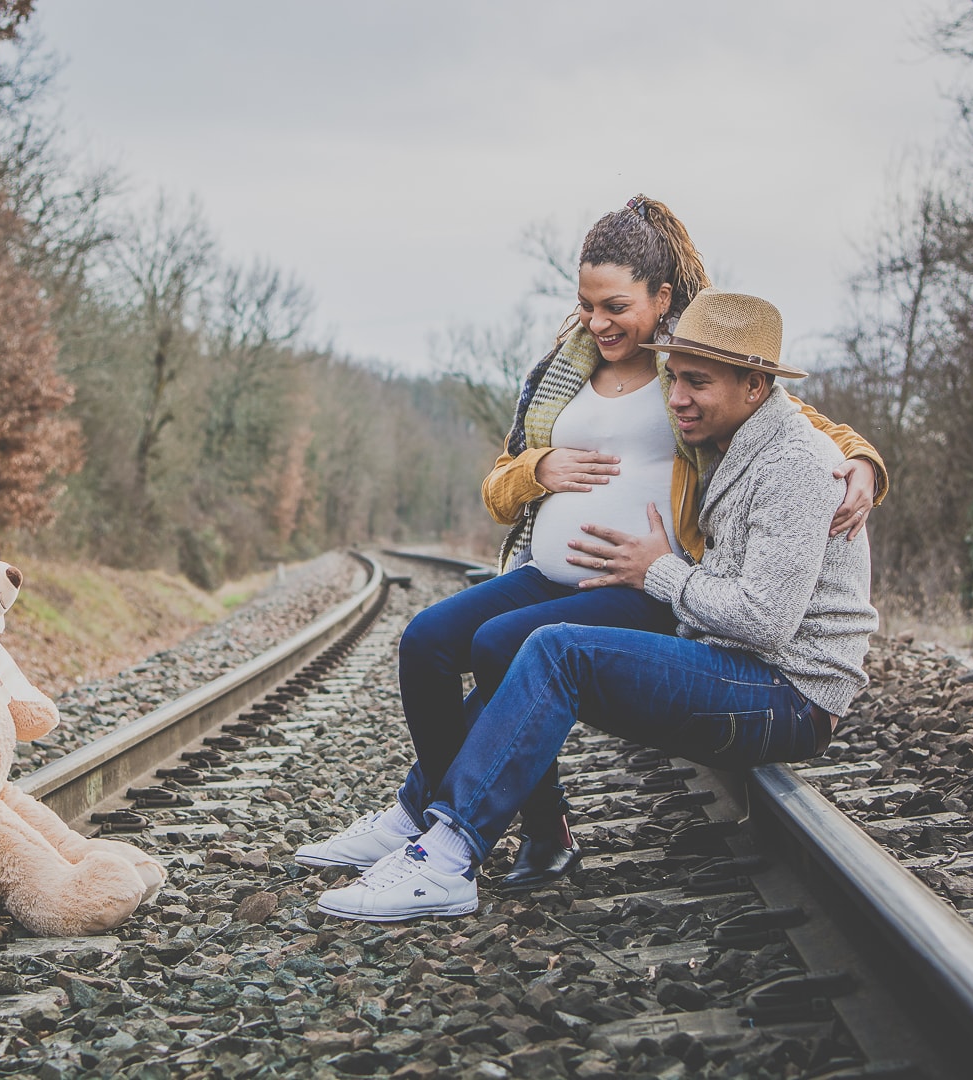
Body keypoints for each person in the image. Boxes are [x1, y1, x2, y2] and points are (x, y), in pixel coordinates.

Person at [296, 198, 886, 889]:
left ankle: (457, 825)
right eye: (586, 305)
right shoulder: (559, 376)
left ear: (660, 297)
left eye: (614, 305)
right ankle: (436, 816)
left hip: (642, 583)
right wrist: (537, 470)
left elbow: (796, 427)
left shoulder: (689, 369)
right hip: (551, 571)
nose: (597, 321)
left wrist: (868, 465)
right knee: (427, 639)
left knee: (508, 647)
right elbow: (497, 486)